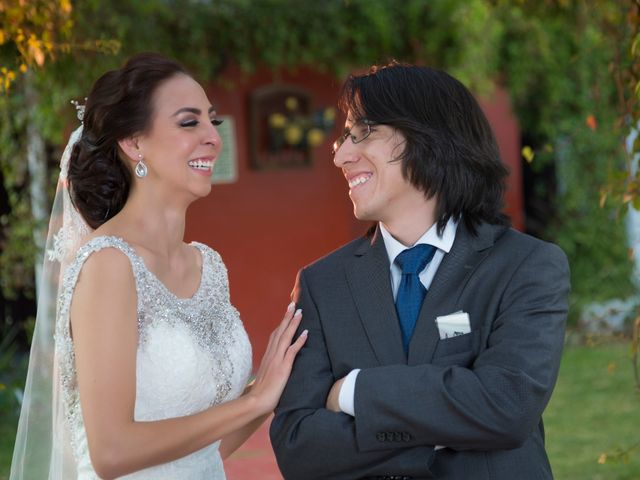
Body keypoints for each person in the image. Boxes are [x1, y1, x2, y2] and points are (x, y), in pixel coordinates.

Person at [10, 52, 307, 480]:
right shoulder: (109, 263)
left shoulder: (208, 265)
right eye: (189, 123)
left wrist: (268, 388)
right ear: (134, 143)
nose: (212, 137)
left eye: (212, 121)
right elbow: (110, 451)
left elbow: (208, 449)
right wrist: (253, 401)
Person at [270, 62, 569, 479]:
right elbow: (299, 447)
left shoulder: (526, 267)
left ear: (429, 137)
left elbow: (506, 406)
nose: (340, 155)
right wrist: (450, 428)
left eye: (364, 132)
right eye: (343, 137)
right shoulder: (322, 285)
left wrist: (355, 391)